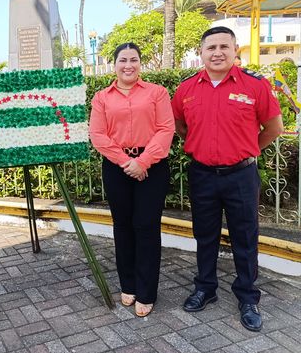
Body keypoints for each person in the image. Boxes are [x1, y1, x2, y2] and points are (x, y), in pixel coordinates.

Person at [172, 26, 283, 332]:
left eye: (224, 46)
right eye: (211, 47)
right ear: (201, 53)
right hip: (203, 175)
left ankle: (247, 297)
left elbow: (274, 128)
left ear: (236, 50)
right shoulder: (186, 89)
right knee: (204, 235)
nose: (217, 52)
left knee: (244, 238)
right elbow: (180, 127)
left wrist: (247, 150)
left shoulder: (255, 85)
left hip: (241, 176)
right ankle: (205, 288)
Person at [89, 42, 175, 317]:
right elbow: (98, 135)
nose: (128, 65)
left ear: (140, 63)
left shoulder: (157, 93)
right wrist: (127, 162)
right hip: (117, 168)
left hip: (152, 167)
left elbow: (166, 129)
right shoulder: (101, 98)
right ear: (114, 65)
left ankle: (147, 292)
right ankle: (128, 284)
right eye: (123, 60)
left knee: (146, 226)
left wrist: (143, 161)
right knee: (123, 226)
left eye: (134, 60)